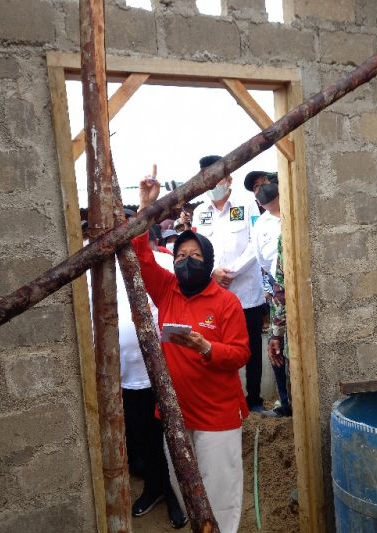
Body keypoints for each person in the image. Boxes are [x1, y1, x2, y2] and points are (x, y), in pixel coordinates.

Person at [134, 176, 250, 533]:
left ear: (208, 260)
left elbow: (241, 353)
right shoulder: (168, 289)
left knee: (221, 494)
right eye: (181, 256)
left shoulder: (226, 302)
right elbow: (139, 255)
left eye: (195, 256)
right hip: (176, 412)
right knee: (186, 486)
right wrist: (145, 208)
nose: (186, 261)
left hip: (217, 416)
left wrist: (207, 348)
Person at [119, 244, 187, 528]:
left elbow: (180, 302)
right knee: (144, 437)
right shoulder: (96, 264)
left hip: (166, 369)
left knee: (173, 436)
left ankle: (178, 494)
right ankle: (155, 488)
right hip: (126, 373)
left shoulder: (162, 260)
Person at [194, 155, 268, 412]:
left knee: (251, 349)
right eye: (207, 178)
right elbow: (197, 249)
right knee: (218, 348)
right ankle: (226, 400)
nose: (213, 183)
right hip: (214, 294)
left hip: (247, 292)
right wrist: (212, 272)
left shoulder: (247, 204)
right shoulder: (200, 212)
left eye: (217, 177)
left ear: (229, 179)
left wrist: (232, 271)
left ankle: (255, 400)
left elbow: (255, 242)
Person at [245, 170, 291, 418]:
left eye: (264, 183)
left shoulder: (293, 212)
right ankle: (286, 403)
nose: (261, 188)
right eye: (255, 188)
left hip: (300, 291)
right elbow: (264, 263)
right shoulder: (261, 225)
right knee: (277, 348)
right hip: (278, 290)